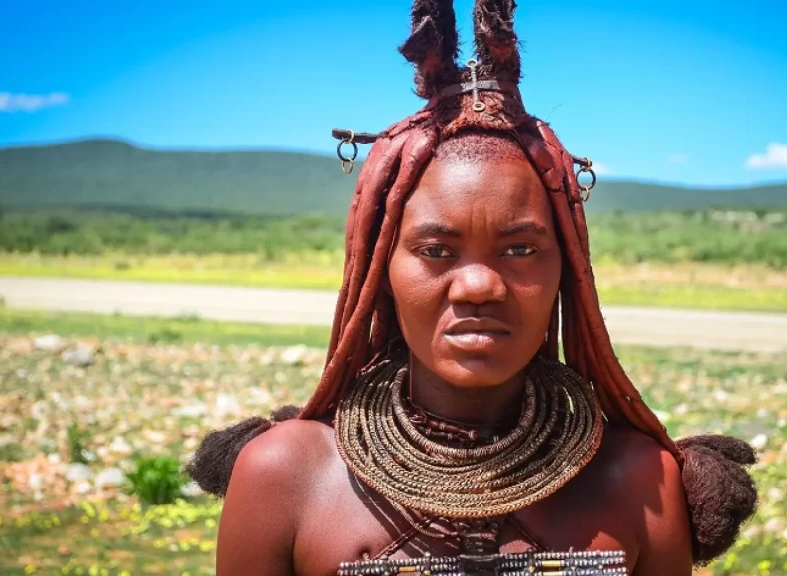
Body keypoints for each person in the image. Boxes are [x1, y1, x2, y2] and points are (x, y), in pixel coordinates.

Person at [187, 1, 758, 574]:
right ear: (382, 272)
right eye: (436, 251)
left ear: (566, 269)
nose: (480, 286)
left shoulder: (641, 482)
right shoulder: (284, 475)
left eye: (520, 250)